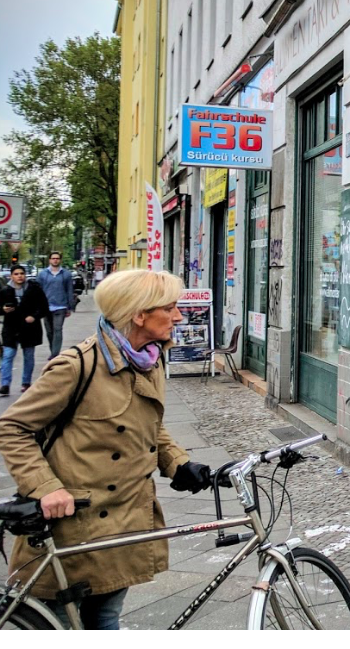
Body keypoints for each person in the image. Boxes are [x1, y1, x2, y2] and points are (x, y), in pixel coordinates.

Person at [0, 269, 212, 629]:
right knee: (57, 625)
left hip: (125, 519)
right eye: (169, 308)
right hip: (73, 524)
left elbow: (148, 424)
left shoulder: (150, 358)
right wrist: (46, 488)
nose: (178, 316)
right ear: (139, 314)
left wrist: (177, 462)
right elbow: (12, 427)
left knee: (105, 618)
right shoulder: (77, 366)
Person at [1, 265, 49, 395]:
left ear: (25, 275)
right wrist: (3, 309)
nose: (19, 276)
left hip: (29, 328)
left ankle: (26, 382)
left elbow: (44, 307)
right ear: (11, 276)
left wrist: (34, 316)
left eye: (21, 273)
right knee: (8, 355)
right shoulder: (5, 290)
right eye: (16, 274)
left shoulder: (34, 289)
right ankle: (5, 384)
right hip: (11, 328)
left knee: (28, 356)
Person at [36, 251, 78, 359]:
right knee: (49, 331)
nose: (55, 260)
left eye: (57, 258)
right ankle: (53, 350)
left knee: (58, 329)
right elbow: (37, 290)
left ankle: (55, 354)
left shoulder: (66, 274)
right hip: (46, 307)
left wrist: (70, 307)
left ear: (60, 260)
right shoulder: (43, 274)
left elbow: (69, 290)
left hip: (61, 306)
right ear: (49, 260)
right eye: (53, 258)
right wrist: (38, 306)